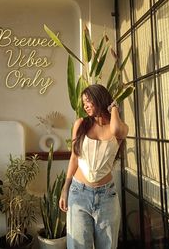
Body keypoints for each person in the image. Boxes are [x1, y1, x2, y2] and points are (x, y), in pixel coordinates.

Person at [59, 84, 128, 249]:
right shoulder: (81, 124)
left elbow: (117, 129)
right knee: (78, 246)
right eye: (84, 103)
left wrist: (114, 109)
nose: (85, 105)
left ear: (100, 98)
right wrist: (65, 188)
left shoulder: (117, 127)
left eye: (89, 101)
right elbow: (74, 158)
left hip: (107, 196)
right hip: (79, 192)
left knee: (108, 246)